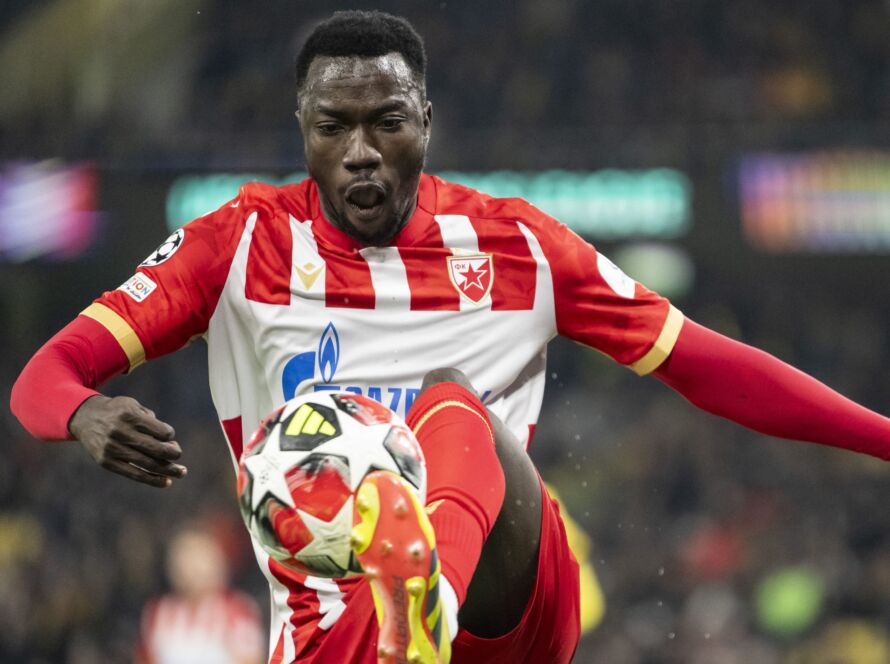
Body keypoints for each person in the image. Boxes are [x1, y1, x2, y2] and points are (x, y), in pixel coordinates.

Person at [10, 9, 890, 663]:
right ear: (303, 131)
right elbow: (45, 376)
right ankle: (405, 613)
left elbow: (707, 364)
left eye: (387, 121)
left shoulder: (517, 246)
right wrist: (83, 413)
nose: (361, 150)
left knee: (451, 404)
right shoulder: (236, 245)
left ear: (426, 121)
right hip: (333, 631)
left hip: (507, 604)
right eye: (333, 126)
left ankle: (426, 601)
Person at [136, 526, 265, 664]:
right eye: (183, 559)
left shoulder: (237, 609)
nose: (189, 569)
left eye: (197, 559)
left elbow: (250, 659)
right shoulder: (158, 611)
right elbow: (145, 657)